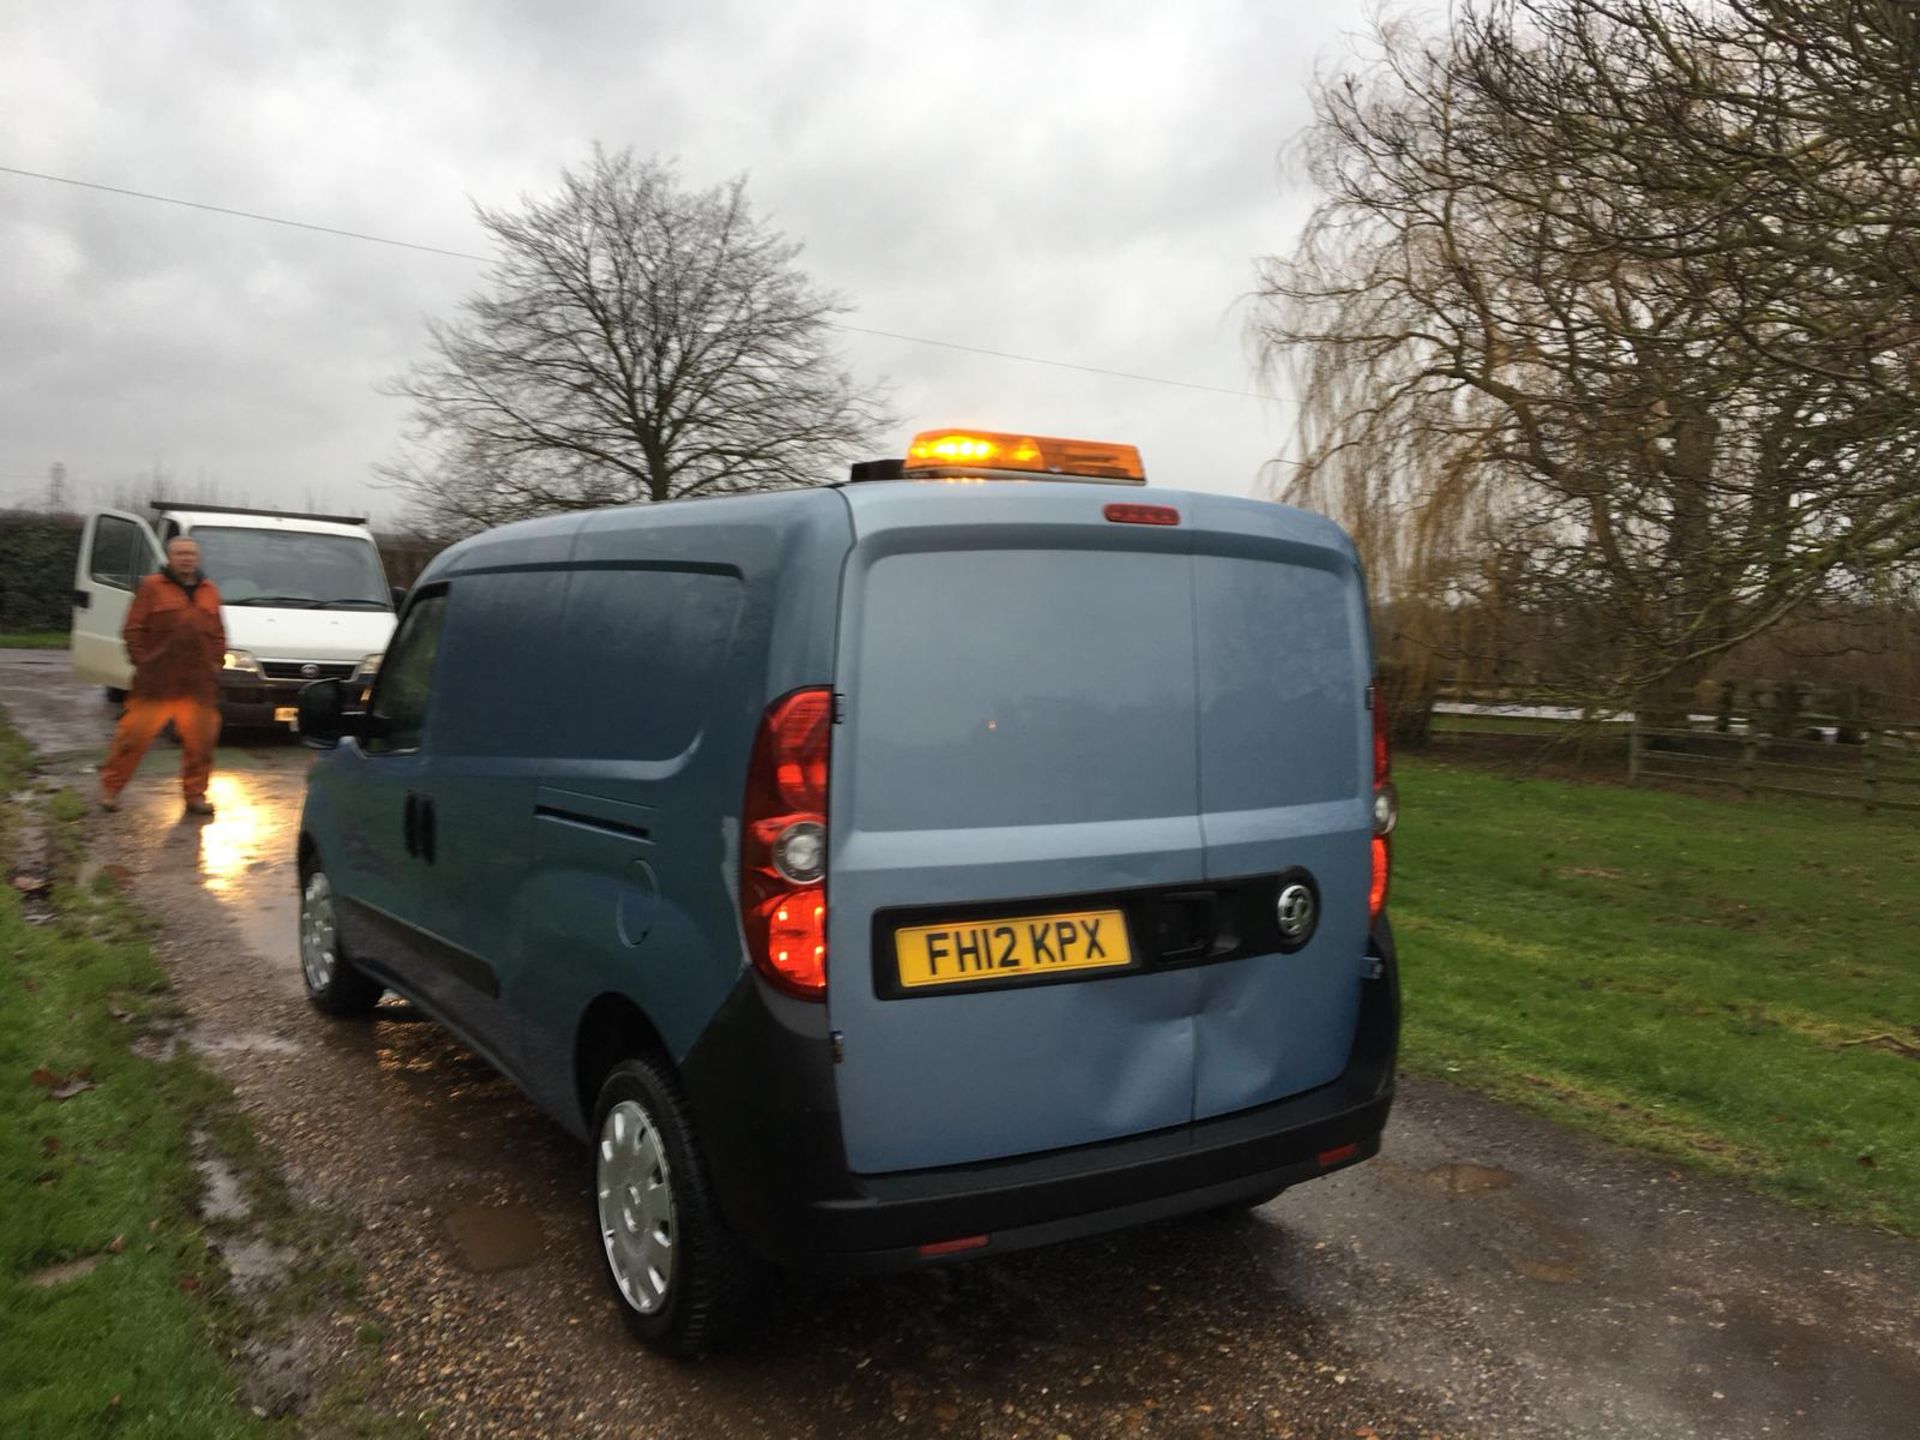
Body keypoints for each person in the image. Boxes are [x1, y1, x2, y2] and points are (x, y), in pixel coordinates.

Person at [98, 535, 225, 817]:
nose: (186, 558)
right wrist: (143, 663)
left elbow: (218, 633)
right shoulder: (152, 587)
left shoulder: (210, 590)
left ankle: (195, 796)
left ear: (198, 557)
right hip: (156, 684)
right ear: (169, 557)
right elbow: (133, 629)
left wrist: (216, 663)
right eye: (180, 553)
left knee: (201, 744)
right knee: (132, 740)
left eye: (191, 553)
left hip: (199, 685)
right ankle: (110, 789)